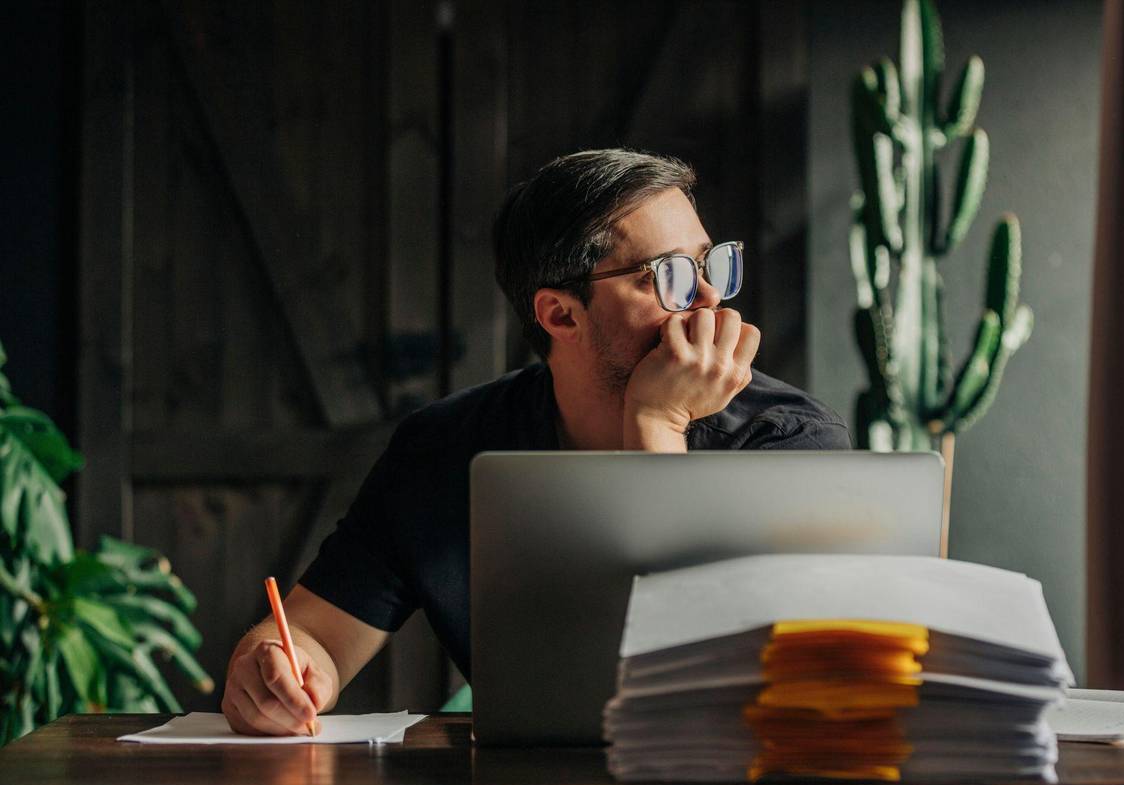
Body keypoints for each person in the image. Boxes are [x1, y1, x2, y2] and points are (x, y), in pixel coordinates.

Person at [221, 149, 851, 735]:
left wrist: (659, 423)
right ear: (561, 315)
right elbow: (316, 637)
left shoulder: (790, 442)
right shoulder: (444, 449)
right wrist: (277, 667)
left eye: (710, 265)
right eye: (670, 277)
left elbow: (708, 691)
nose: (710, 302)